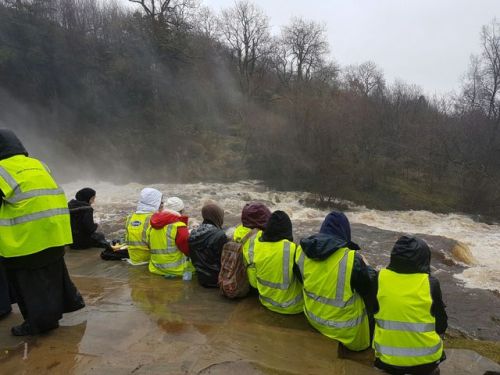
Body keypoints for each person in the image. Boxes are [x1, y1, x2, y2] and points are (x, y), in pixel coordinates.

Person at [0, 129, 84, 336]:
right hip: (56, 233)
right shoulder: (39, 164)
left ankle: (38, 324)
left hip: (26, 240)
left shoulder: (1, 170)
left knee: (29, 287)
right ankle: (55, 313)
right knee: (51, 278)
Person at [295, 211, 375, 351]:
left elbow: (300, 278)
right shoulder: (352, 259)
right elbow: (368, 289)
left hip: (313, 319)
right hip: (347, 333)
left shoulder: (302, 251)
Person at [372, 236, 447, 375]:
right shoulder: (430, 283)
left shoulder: (380, 278)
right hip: (426, 362)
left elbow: (372, 311)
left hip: (387, 360)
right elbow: (442, 324)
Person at [243, 210, 303, 314]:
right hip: (294, 306)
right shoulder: (293, 249)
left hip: (266, 302)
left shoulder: (255, 247)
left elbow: (253, 283)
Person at [148, 197, 193, 277]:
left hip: (155, 268)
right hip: (177, 270)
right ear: (180, 211)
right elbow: (188, 251)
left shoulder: (152, 225)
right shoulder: (179, 227)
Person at [189, 202, 228, 288]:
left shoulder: (193, 233)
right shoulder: (219, 235)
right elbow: (224, 260)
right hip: (217, 280)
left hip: (201, 278)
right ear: (217, 216)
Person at [125, 188, 162, 265]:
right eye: (160, 201)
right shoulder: (154, 219)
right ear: (155, 202)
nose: (162, 204)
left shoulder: (130, 217)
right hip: (148, 260)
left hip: (134, 259)